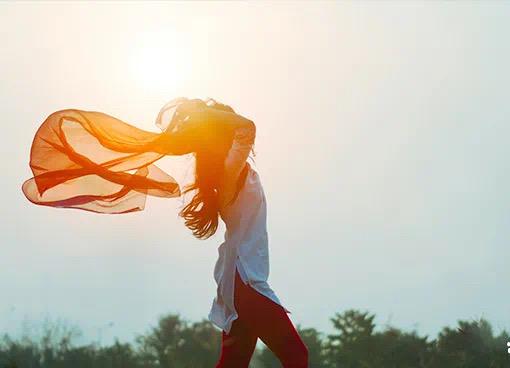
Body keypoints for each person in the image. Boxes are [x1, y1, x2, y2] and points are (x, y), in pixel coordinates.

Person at [21, 97, 308, 367]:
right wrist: (208, 117)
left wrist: (209, 118)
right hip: (245, 280)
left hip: (239, 280)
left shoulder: (228, 170)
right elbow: (246, 128)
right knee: (296, 356)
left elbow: (241, 129)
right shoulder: (229, 170)